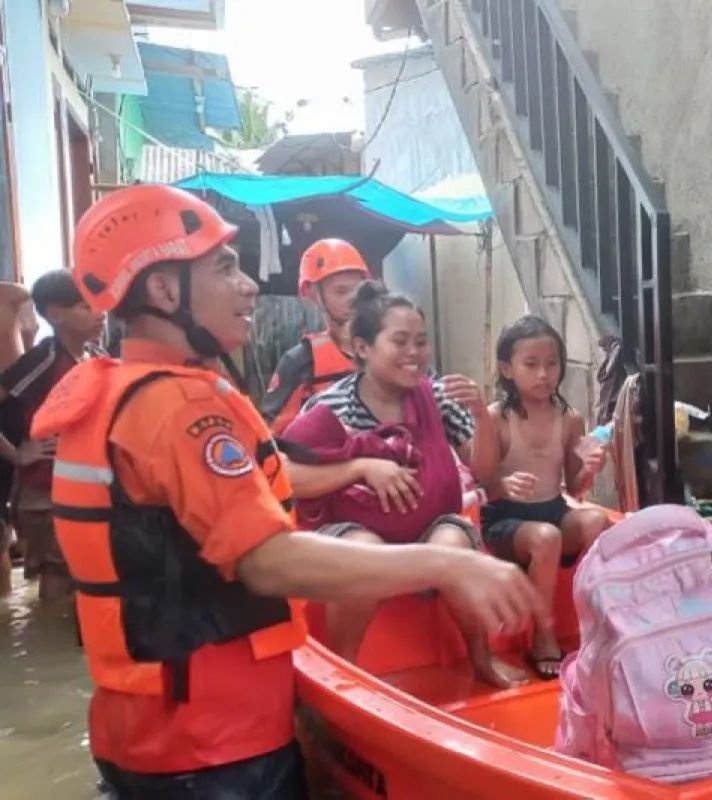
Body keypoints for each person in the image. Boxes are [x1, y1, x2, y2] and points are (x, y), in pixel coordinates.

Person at [32, 185, 546, 798]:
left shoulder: (122, 391)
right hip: (212, 746)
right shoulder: (178, 409)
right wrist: (447, 562)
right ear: (166, 291)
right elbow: (266, 558)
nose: (249, 285)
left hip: (156, 733)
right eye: (224, 267)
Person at [284, 280, 527, 688]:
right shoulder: (329, 406)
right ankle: (347, 675)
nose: (415, 354)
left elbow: (485, 471)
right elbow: (285, 477)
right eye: (400, 341)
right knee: (364, 552)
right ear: (363, 347)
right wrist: (360, 467)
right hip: (357, 531)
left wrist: (481, 415)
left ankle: (482, 658)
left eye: (421, 341)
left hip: (429, 524)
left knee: (450, 545)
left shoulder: (436, 398)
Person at [482, 315, 612, 679]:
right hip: (506, 520)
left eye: (552, 364)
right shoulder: (496, 418)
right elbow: (483, 481)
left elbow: (574, 488)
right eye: (531, 365)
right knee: (546, 536)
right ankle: (543, 635)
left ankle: (599, 620)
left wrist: (590, 466)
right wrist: (504, 485)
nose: (543, 374)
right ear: (508, 368)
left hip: (552, 510)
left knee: (597, 521)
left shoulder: (570, 419)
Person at [0, 270, 105, 601]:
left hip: (77, 488)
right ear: (55, 315)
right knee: (58, 574)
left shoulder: (96, 358)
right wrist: (17, 453)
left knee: (78, 574)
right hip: (43, 491)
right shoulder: (44, 359)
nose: (100, 312)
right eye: (86, 306)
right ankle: (48, 646)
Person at [261, 238, 369, 435]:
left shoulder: (388, 348)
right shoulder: (301, 362)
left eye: (358, 290)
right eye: (341, 291)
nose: (353, 300)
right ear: (313, 295)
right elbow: (273, 440)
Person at [0, 281, 38, 595]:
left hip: (16, 400)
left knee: (24, 507)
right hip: (14, 398)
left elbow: (31, 333)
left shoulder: (14, 294)